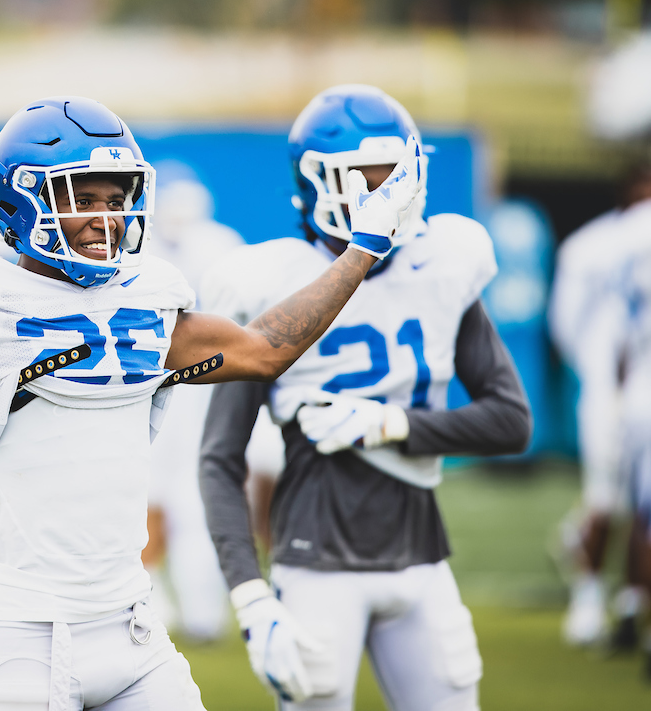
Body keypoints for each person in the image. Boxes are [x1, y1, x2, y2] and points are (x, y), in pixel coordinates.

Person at [0, 94, 419, 709]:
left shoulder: (147, 303)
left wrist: (359, 249)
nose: (105, 217)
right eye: (83, 195)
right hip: (22, 632)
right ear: (21, 199)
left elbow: (266, 349)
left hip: (133, 626)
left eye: (116, 199)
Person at [198, 84, 532, 710]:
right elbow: (220, 459)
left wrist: (391, 424)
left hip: (422, 556)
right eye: (370, 179)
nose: (391, 197)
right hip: (316, 561)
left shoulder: (443, 264)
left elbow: (511, 422)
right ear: (320, 184)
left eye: (399, 177)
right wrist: (249, 595)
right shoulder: (270, 281)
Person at [548, 162, 651, 648]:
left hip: (633, 386)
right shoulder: (590, 247)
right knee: (605, 499)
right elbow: (568, 323)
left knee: (641, 505)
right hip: (614, 387)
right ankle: (589, 598)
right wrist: (596, 374)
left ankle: (631, 602)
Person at [140, 162, 243, 641]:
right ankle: (194, 609)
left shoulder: (144, 249)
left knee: (162, 497)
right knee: (178, 498)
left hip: (169, 386)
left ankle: (169, 605)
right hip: (196, 386)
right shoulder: (224, 246)